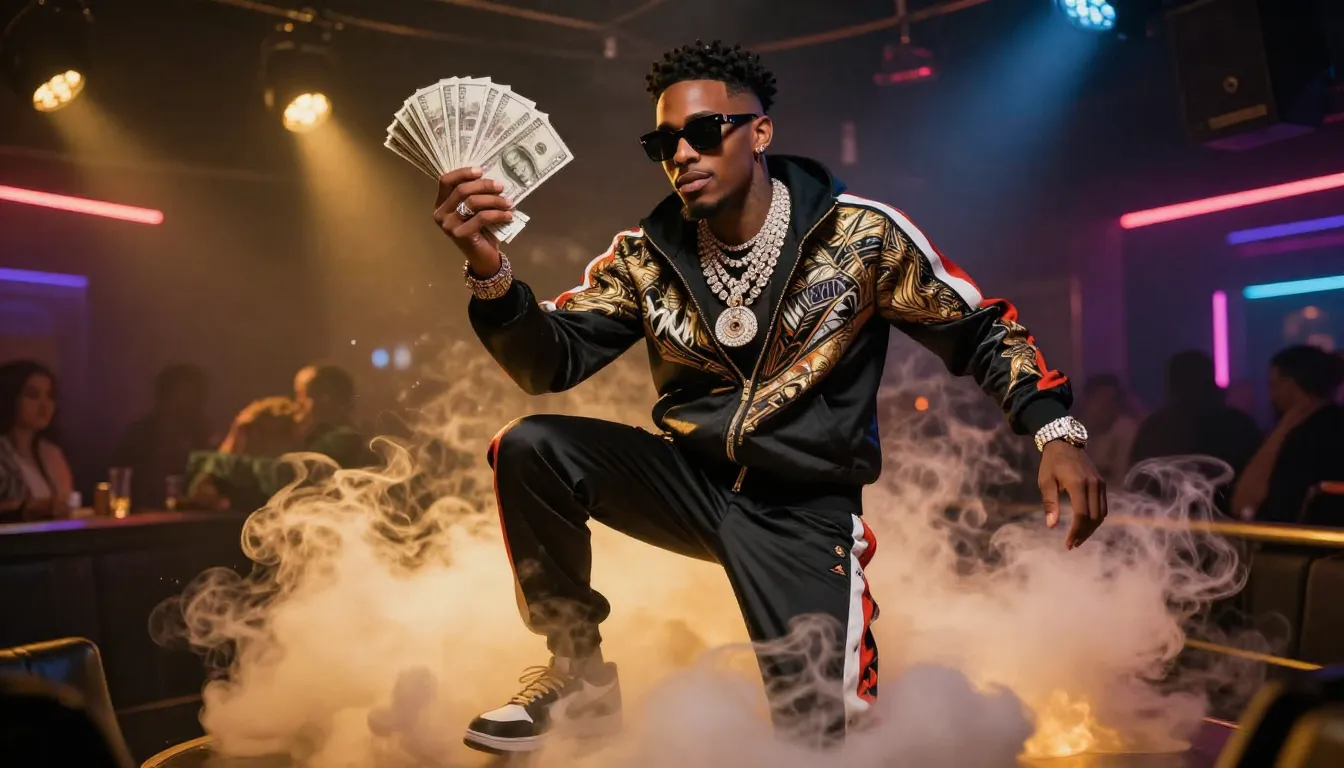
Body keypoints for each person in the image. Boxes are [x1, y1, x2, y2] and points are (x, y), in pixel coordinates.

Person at [433, 40, 1105, 753]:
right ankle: (578, 674)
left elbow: (979, 329)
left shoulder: (860, 235)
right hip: (689, 483)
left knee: (824, 744)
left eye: (703, 131)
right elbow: (550, 361)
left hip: (802, 514)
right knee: (532, 447)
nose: (682, 154)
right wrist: (490, 270)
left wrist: (1054, 429)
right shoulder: (645, 255)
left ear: (759, 132)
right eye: (664, 142)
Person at [187, 365, 374, 510]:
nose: (296, 406)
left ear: (325, 398)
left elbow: (286, 477)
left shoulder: (344, 440)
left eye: (301, 396)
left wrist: (217, 463)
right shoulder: (320, 439)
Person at [1130, 350, 1262, 506]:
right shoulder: (1240, 424)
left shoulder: (1156, 427)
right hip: (1229, 516)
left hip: (1166, 517)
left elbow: (1139, 483)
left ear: (1171, 384)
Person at [1232, 345, 1344, 523]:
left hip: (1300, 538)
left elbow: (1247, 504)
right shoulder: (1332, 423)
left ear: (1289, 386)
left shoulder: (1300, 436)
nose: (1271, 396)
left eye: (1273, 385)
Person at [114, 364, 213, 511]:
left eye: (191, 400)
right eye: (179, 399)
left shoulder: (202, 435)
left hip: (194, 518)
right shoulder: (138, 436)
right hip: (142, 517)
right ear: (162, 397)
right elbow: (123, 485)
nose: (184, 408)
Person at [0, 360, 74, 522]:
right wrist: (22, 510)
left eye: (49, 396)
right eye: (32, 396)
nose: (44, 405)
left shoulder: (52, 453)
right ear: (10, 398)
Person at [1080, 374, 1139, 487]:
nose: (1104, 407)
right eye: (1098, 399)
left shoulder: (1124, 429)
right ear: (1085, 402)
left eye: (1110, 401)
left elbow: (1123, 481)